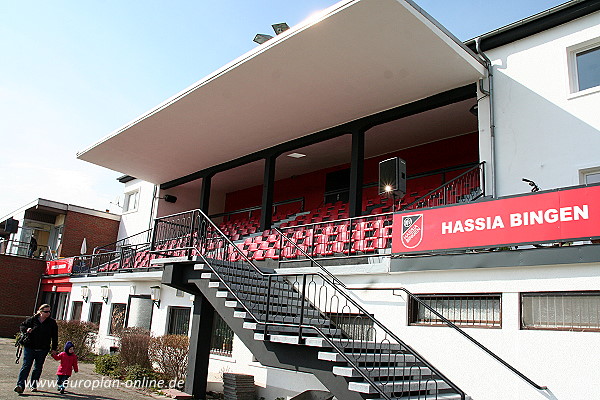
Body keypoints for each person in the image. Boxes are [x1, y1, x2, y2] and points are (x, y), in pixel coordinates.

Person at [14, 304, 59, 394]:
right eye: (46, 312)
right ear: (41, 312)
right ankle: (20, 385)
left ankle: (33, 385)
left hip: (43, 348)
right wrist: (26, 329)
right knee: (26, 366)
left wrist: (54, 348)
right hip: (30, 347)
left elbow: (55, 336)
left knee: (38, 367)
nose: (48, 313)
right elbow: (22, 326)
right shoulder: (32, 320)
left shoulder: (51, 323)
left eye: (49, 311)